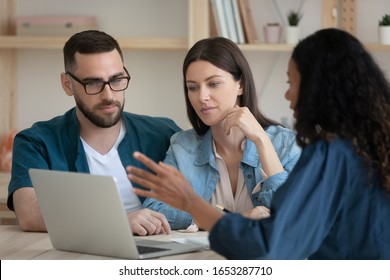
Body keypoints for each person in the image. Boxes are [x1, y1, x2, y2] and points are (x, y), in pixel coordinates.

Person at [127, 28, 390, 259]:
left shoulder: (329, 154)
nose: (287, 94)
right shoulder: (366, 148)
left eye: (292, 82)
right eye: (192, 87)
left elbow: (273, 244)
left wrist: (193, 204)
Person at [7, 30, 181, 236]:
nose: (108, 95)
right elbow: (28, 213)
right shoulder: (36, 142)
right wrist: (119, 222)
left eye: (117, 80)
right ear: (67, 84)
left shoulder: (164, 134)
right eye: (93, 83)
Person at [142, 37, 301, 230]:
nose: (202, 97)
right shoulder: (183, 146)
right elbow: (155, 209)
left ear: (240, 85)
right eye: (193, 87)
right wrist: (236, 219)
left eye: (214, 84)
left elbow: (295, 215)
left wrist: (262, 141)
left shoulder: (286, 144)